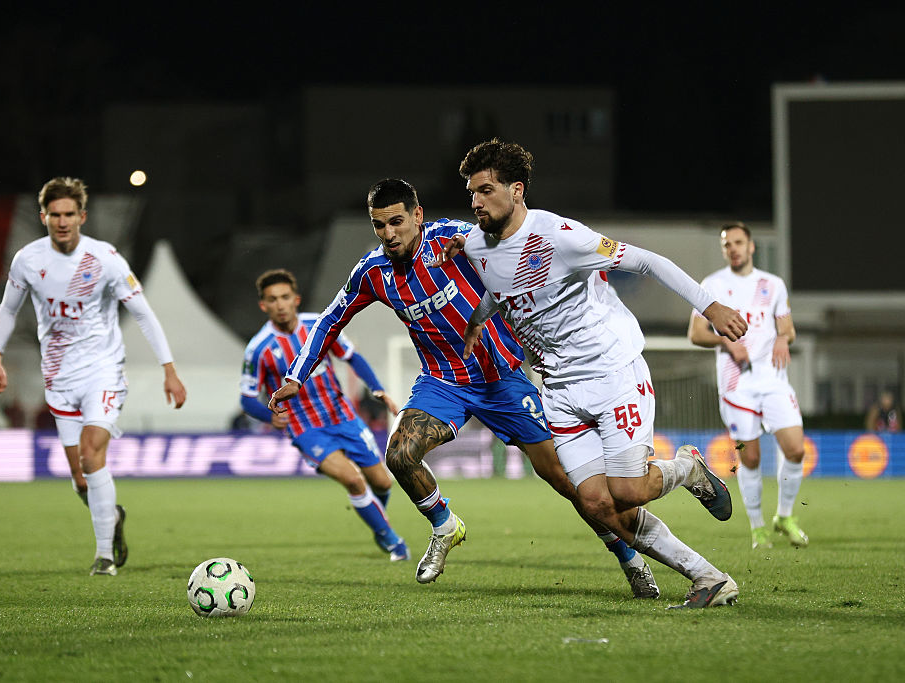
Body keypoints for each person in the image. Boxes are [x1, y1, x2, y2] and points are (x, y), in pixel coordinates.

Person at [270, 178, 661, 599]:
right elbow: (330, 319)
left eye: (397, 222)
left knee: (568, 483)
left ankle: (630, 560)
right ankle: (445, 526)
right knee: (399, 454)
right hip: (444, 382)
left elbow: (519, 255)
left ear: (417, 216)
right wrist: (296, 376)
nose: (389, 234)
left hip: (503, 378)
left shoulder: (456, 240)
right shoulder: (372, 272)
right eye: (379, 226)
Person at [451, 139, 747, 608]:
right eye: (471, 192)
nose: (475, 201)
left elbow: (650, 261)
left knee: (628, 491)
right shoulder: (474, 245)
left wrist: (710, 306)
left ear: (517, 189)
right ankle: (708, 579)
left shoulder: (561, 236)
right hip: (560, 389)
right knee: (596, 504)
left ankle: (688, 468)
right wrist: (476, 323)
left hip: (613, 373)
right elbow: (500, 287)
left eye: (485, 190)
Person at [0, 177, 186, 577]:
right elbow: (8, 311)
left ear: (82, 216)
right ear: (43, 217)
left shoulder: (105, 259)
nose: (62, 222)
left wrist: (169, 369)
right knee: (80, 477)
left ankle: (104, 557)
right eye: (54, 215)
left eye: (69, 214)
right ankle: (112, 514)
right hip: (59, 376)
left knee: (93, 455)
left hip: (103, 371)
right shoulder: (28, 260)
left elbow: (143, 312)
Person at [241, 268, 410, 561]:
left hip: (343, 417)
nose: (279, 304)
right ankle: (392, 540)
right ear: (263, 306)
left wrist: (377, 389)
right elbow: (246, 398)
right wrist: (270, 417)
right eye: (272, 299)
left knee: (382, 483)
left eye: (284, 297)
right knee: (354, 481)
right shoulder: (258, 349)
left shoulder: (319, 326)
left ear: (296, 299)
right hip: (306, 429)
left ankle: (378, 522)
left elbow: (352, 357)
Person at [688, 222, 810, 550]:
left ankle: (784, 516)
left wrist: (784, 338)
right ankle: (758, 528)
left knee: (796, 449)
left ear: (751, 246)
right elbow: (696, 334)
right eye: (727, 244)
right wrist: (725, 343)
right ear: (724, 250)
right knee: (750, 457)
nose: (734, 249)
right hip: (736, 386)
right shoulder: (712, 285)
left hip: (773, 380)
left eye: (739, 242)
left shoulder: (773, 285)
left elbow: (788, 329)